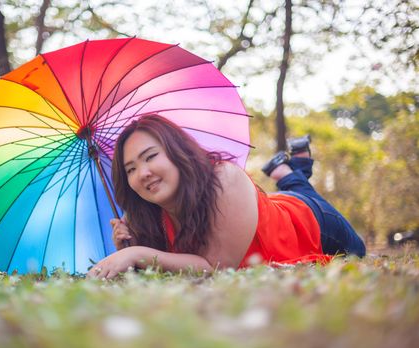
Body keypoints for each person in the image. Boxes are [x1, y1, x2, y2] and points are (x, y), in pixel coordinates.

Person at [87, 114, 366, 279]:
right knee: (293, 187)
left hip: (313, 222)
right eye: (131, 169)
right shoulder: (143, 214)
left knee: (355, 247)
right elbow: (160, 267)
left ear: (177, 151)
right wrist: (128, 249)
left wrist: (139, 253)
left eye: (150, 157)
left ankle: (291, 172)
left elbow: (216, 267)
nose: (143, 173)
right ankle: (291, 170)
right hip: (266, 211)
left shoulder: (225, 179)